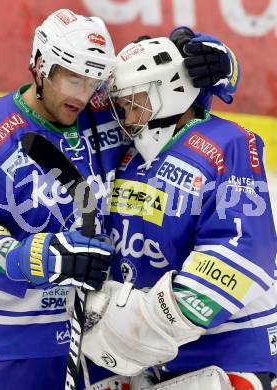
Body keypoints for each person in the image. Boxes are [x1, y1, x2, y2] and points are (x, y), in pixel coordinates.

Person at [0, 7, 241, 390]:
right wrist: (35, 257)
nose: (84, 95)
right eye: (73, 79)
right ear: (41, 66)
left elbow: (169, 94)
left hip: (104, 341)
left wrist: (214, 63)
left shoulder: (105, 114)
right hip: (10, 343)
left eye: (94, 81)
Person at [82, 36, 277, 389]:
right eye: (120, 102)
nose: (124, 112)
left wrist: (146, 321)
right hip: (158, 357)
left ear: (166, 92)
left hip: (233, 349)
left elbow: (242, 251)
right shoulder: (128, 157)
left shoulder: (227, 144)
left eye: (133, 100)